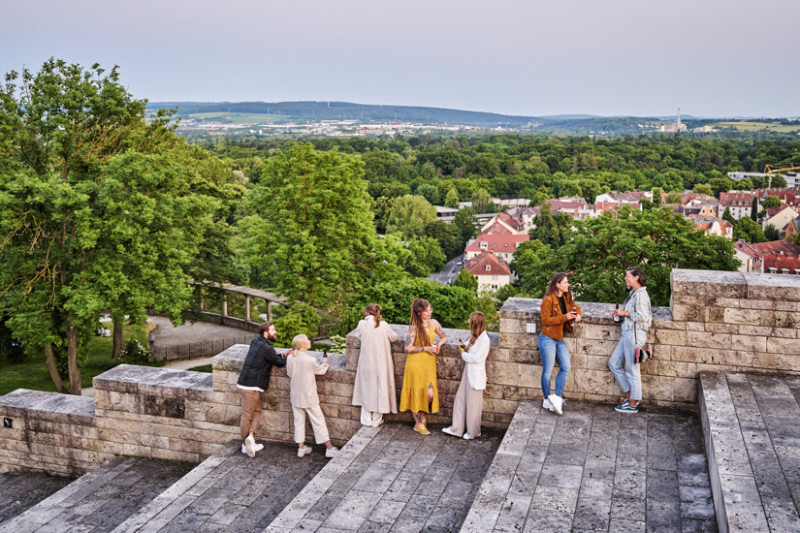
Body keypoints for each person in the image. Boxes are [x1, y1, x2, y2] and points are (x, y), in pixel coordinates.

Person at [237, 322, 288, 457]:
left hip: (247, 384)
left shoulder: (256, 341)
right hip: (250, 387)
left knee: (258, 410)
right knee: (247, 416)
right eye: (273, 330)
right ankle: (244, 445)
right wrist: (287, 357)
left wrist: (284, 355)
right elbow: (278, 362)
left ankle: (251, 438)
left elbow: (271, 358)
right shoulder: (267, 347)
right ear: (266, 332)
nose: (275, 332)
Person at [286, 334, 339, 458]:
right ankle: (329, 448)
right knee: (318, 421)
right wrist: (325, 364)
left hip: (296, 395)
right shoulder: (310, 360)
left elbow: (289, 373)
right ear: (303, 345)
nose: (309, 341)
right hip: (309, 396)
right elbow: (321, 371)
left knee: (298, 422)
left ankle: (301, 448)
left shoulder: (290, 358)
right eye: (307, 340)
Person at [400, 298, 447, 435]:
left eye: (430, 309)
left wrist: (439, 345)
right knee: (416, 392)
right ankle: (418, 423)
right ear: (419, 312)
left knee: (429, 393)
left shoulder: (434, 323)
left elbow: (444, 337)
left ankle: (422, 416)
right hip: (415, 364)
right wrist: (426, 348)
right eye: (426, 311)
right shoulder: (414, 328)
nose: (429, 312)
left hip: (429, 364)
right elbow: (407, 349)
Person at [538, 272, 582, 416]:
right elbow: (545, 320)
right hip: (547, 338)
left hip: (558, 338)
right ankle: (546, 399)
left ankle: (556, 397)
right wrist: (565, 317)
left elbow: (576, 307)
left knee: (566, 366)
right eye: (565, 282)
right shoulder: (548, 299)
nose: (567, 284)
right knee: (548, 370)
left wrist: (578, 315)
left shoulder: (565, 297)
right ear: (557, 284)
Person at [609, 266, 652, 414]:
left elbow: (643, 317)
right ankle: (629, 396)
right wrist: (619, 315)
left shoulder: (641, 295)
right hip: (627, 333)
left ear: (636, 278)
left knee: (632, 369)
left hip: (634, 335)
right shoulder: (634, 293)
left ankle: (633, 404)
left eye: (628, 276)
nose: (625, 278)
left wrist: (625, 313)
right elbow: (632, 314)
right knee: (614, 363)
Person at [443, 312, 490, 440]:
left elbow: (477, 358)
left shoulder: (485, 340)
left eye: (470, 319)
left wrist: (463, 355)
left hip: (475, 376)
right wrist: (463, 347)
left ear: (475, 322)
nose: (468, 321)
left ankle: (473, 432)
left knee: (473, 405)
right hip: (467, 373)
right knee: (460, 400)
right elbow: (467, 345)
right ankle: (456, 429)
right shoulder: (473, 336)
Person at [352, 304, 399, 427]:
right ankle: (377, 419)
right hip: (381, 361)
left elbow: (358, 336)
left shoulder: (362, 324)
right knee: (381, 388)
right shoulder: (383, 325)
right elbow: (393, 337)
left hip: (366, 361)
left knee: (366, 388)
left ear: (366, 312)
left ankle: (366, 419)